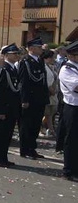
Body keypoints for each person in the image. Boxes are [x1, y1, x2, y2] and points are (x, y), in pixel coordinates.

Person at [0, 44, 21, 168]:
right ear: (6, 55)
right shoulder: (3, 70)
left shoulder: (13, 69)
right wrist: (0, 110)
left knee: (7, 135)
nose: (17, 56)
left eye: (17, 54)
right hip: (4, 108)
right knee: (0, 135)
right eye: (14, 54)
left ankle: (3, 157)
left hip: (12, 107)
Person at [17, 37, 50, 159]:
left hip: (39, 98)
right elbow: (24, 82)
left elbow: (43, 80)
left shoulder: (40, 60)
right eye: (38, 47)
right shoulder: (25, 61)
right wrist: (24, 99)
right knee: (27, 125)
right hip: (30, 99)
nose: (41, 49)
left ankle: (32, 148)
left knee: (36, 125)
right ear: (31, 49)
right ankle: (25, 150)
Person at [57, 40, 78, 181]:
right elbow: (76, 87)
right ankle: (69, 170)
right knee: (72, 139)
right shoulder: (67, 69)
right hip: (73, 107)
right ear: (73, 55)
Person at [42, 49, 59, 137]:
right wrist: (52, 91)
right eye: (52, 57)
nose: (53, 59)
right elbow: (47, 82)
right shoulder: (44, 67)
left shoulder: (51, 66)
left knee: (51, 113)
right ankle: (49, 129)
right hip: (48, 93)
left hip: (53, 93)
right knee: (47, 113)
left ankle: (48, 128)